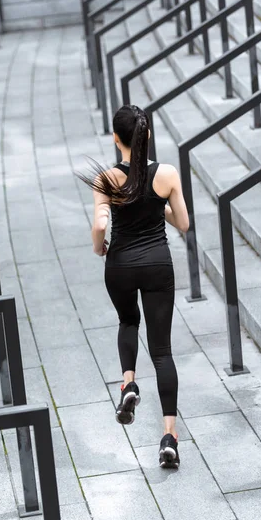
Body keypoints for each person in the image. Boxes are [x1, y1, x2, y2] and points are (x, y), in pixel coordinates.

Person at [78, 104, 189, 469]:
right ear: (148, 135)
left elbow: (99, 226)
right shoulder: (168, 173)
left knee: (128, 323)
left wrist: (100, 248)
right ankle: (169, 437)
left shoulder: (107, 179)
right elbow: (184, 224)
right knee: (162, 351)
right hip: (158, 264)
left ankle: (128, 385)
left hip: (121, 264)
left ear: (116, 137)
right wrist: (159, 206)